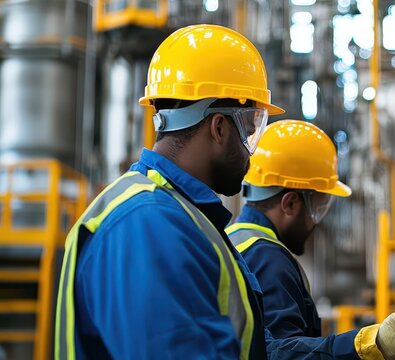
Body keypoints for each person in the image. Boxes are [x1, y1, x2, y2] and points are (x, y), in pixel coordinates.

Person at [54, 24, 283, 359]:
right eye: (249, 131)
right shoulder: (149, 224)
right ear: (219, 128)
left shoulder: (177, 216)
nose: (251, 151)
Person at [227, 120, 395, 360]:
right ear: (290, 203)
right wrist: (374, 343)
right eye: (318, 207)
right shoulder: (267, 257)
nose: (316, 220)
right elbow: (282, 355)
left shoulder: (234, 239)